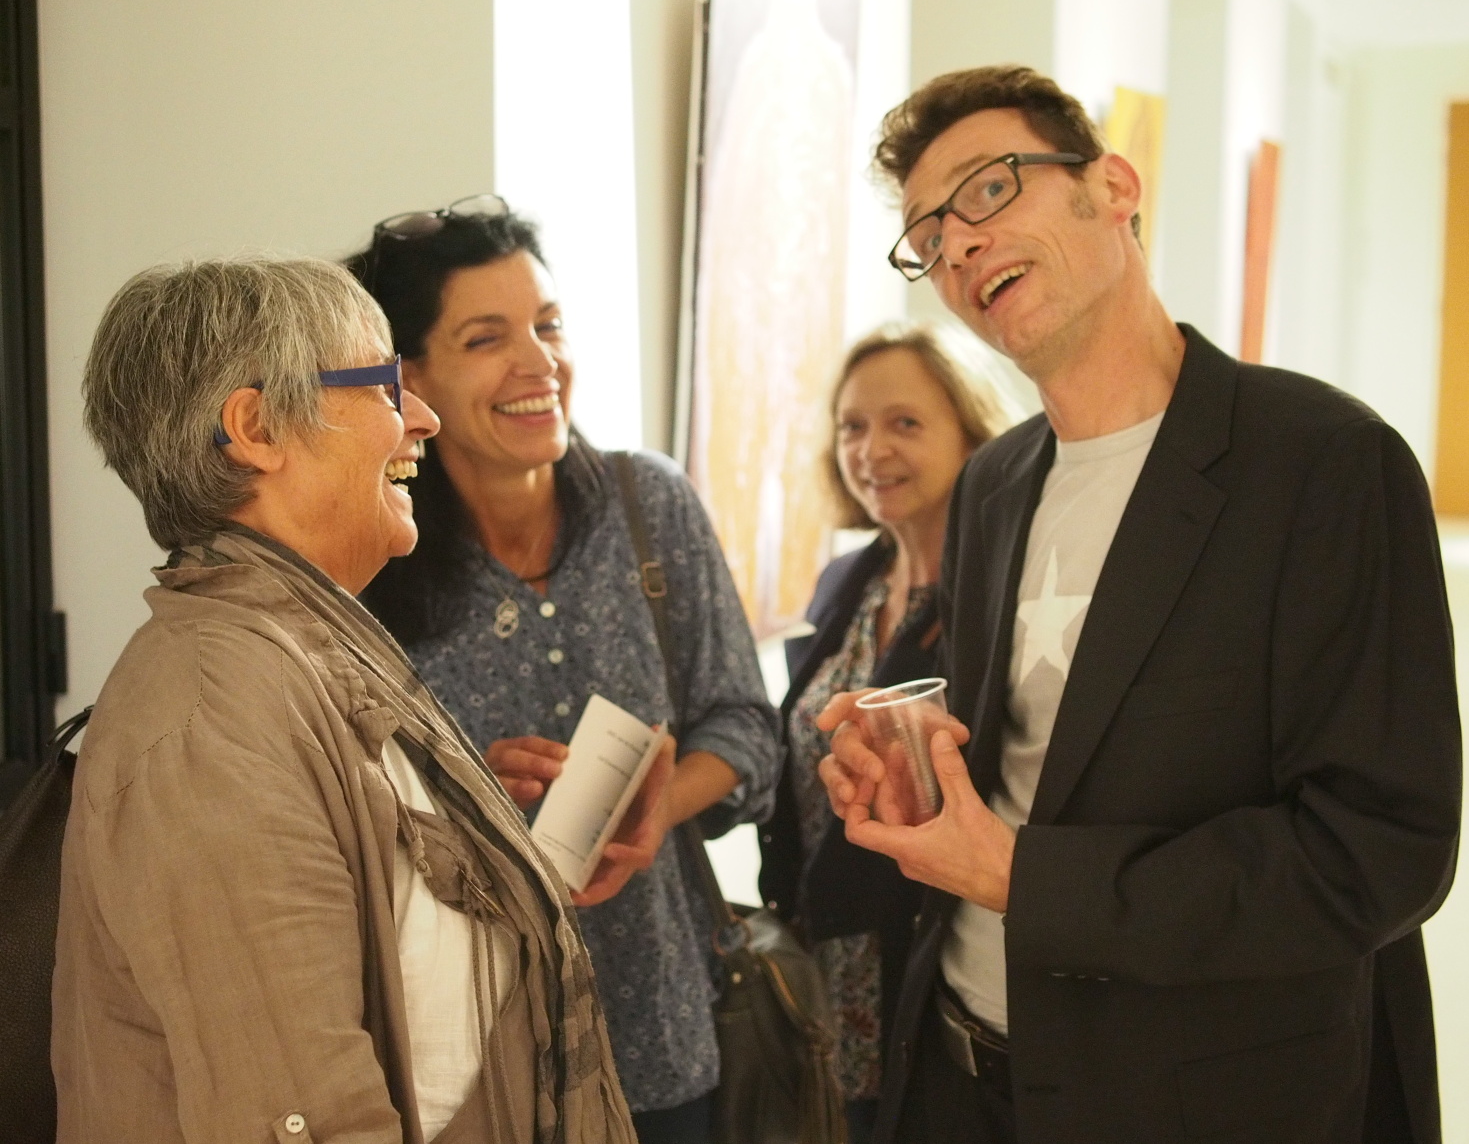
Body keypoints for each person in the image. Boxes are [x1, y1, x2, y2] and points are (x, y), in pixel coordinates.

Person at [817, 65, 1461, 1144]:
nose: (958, 244)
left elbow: (1376, 853)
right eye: (927, 235)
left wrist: (1025, 878)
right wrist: (914, 775)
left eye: (987, 189)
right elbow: (1027, 759)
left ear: (1112, 187)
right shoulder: (992, 483)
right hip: (961, 1067)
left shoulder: (1322, 464)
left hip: (1191, 1097)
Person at [54, 257, 638, 1143]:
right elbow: (304, 1119)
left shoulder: (302, 650)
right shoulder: (213, 719)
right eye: (384, 387)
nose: (423, 419)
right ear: (256, 429)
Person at [349, 199, 782, 1143]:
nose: (538, 361)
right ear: (409, 378)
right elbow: (342, 822)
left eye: (547, 326)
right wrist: (467, 797)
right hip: (477, 1065)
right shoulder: (374, 564)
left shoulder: (649, 506)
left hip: (660, 1028)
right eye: (486, 338)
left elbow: (746, 724)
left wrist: (654, 807)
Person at [758, 323, 1011, 1143]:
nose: (871, 450)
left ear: (971, 433)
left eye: (904, 423)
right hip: (829, 959)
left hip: (931, 962)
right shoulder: (848, 581)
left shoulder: (995, 600)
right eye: (852, 426)